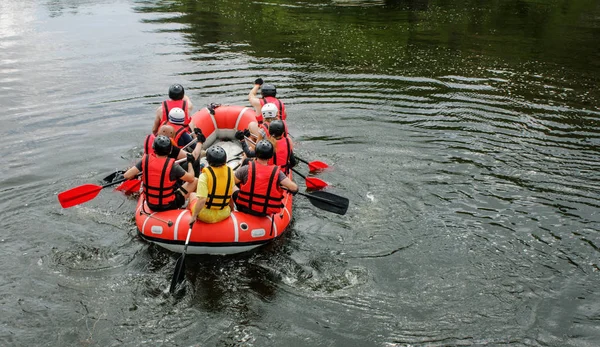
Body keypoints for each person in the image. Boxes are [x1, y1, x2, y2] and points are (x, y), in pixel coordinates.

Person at [123, 135, 197, 212]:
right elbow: (191, 179)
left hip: (150, 204)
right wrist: (190, 163)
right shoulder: (173, 166)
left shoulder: (145, 160)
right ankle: (191, 207)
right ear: (169, 151)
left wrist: (134, 176)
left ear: (154, 149)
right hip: (169, 205)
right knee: (195, 180)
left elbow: (127, 175)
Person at [232, 140, 298, 217]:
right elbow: (294, 188)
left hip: (245, 208)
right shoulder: (277, 173)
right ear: (271, 156)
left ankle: (232, 209)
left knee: (232, 186)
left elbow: (231, 182)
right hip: (264, 212)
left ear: (255, 154)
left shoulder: (246, 169)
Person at [188, 146, 235, 225]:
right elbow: (229, 194)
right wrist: (232, 209)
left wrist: (194, 216)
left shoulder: (204, 176)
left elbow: (202, 199)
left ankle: (188, 216)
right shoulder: (230, 173)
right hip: (224, 213)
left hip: (206, 215)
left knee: (192, 194)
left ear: (208, 161)